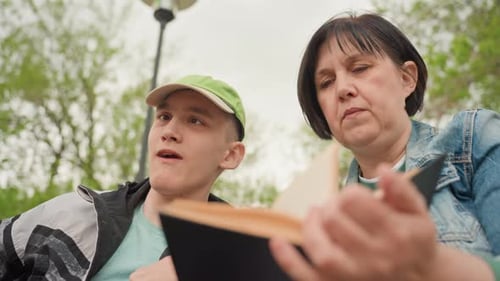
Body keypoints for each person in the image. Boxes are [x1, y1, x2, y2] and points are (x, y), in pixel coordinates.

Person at [269, 12, 500, 281]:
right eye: (326, 82)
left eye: (360, 68)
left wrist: (433, 266)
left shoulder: (473, 140)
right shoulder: (326, 218)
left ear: (406, 79)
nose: (342, 89)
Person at [0, 74, 247, 280]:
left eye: (195, 120)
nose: (170, 131)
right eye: (164, 117)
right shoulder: (71, 215)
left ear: (231, 155)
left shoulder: (240, 264)